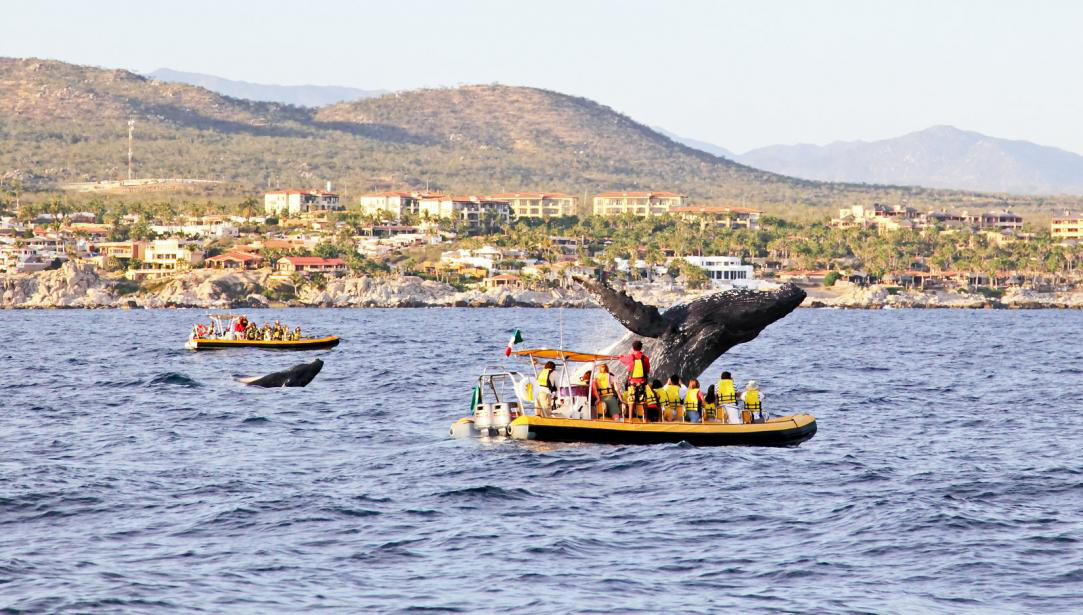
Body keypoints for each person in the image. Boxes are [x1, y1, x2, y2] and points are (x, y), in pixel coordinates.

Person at [619, 340, 651, 421]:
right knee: (643, 401)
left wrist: (620, 356)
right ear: (641, 348)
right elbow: (647, 370)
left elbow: (622, 360)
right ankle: (645, 419)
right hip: (642, 383)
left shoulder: (630, 357)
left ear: (633, 348)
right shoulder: (645, 358)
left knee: (631, 401)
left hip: (632, 383)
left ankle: (630, 419)